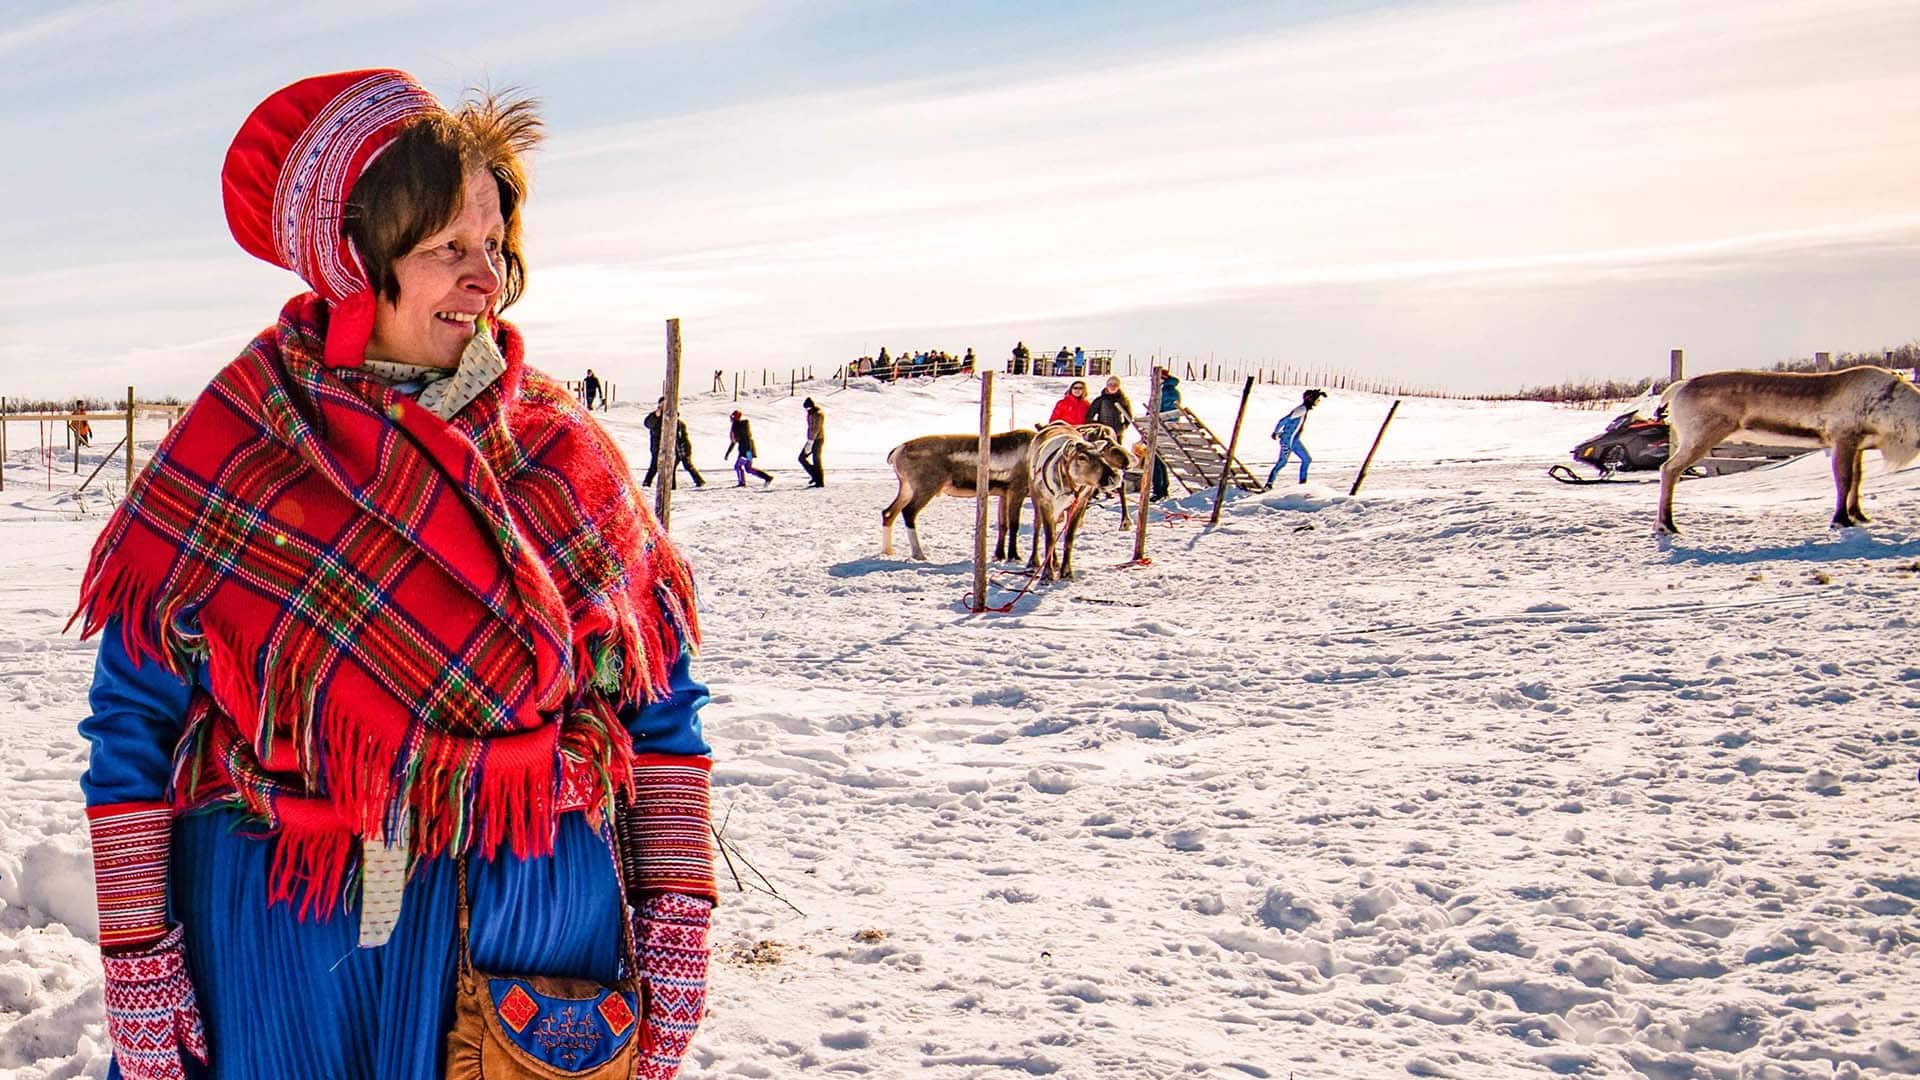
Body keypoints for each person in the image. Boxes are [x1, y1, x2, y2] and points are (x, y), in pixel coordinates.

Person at [72, 70, 715, 1080]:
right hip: (288, 948)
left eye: (495, 248)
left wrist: (677, 916)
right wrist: (136, 956)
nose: (484, 280)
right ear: (358, 260)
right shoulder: (243, 446)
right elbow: (133, 723)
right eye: (446, 249)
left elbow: (658, 707)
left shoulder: (559, 452)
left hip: (525, 940)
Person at [1268, 388, 1326, 487]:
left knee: (1299, 460)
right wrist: (1276, 432)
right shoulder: (1301, 410)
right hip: (1289, 441)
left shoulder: (1303, 409)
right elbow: (1284, 420)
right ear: (1310, 399)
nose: (1318, 402)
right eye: (1317, 400)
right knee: (1290, 461)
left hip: (1291, 440)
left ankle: (1301, 484)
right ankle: (1300, 483)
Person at [644, 398, 706, 488]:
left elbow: (680, 436)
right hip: (658, 447)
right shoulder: (655, 417)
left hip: (677, 448)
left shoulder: (676, 421)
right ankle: (648, 483)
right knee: (655, 466)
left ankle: (695, 481)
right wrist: (655, 416)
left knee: (681, 466)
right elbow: (648, 424)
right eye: (661, 405)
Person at [1150, 371, 1181, 500]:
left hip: (1164, 428)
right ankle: (1160, 488)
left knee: (1157, 460)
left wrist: (1161, 422)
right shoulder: (1159, 390)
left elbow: (1169, 411)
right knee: (1156, 460)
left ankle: (1160, 489)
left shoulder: (1169, 391)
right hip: (1156, 427)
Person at [724, 410, 773, 486]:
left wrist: (728, 453)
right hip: (749, 451)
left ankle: (742, 483)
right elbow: (735, 440)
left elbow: (734, 441)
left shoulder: (737, 426)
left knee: (738, 466)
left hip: (745, 451)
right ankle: (767, 478)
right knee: (748, 468)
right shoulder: (742, 425)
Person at [799, 397, 825, 486]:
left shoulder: (818, 414)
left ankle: (819, 482)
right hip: (811, 439)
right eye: (806, 408)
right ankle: (815, 475)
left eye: (808, 408)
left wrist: (810, 442)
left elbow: (815, 429)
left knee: (816, 460)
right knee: (801, 458)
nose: (807, 410)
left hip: (817, 439)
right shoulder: (810, 413)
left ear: (812, 406)